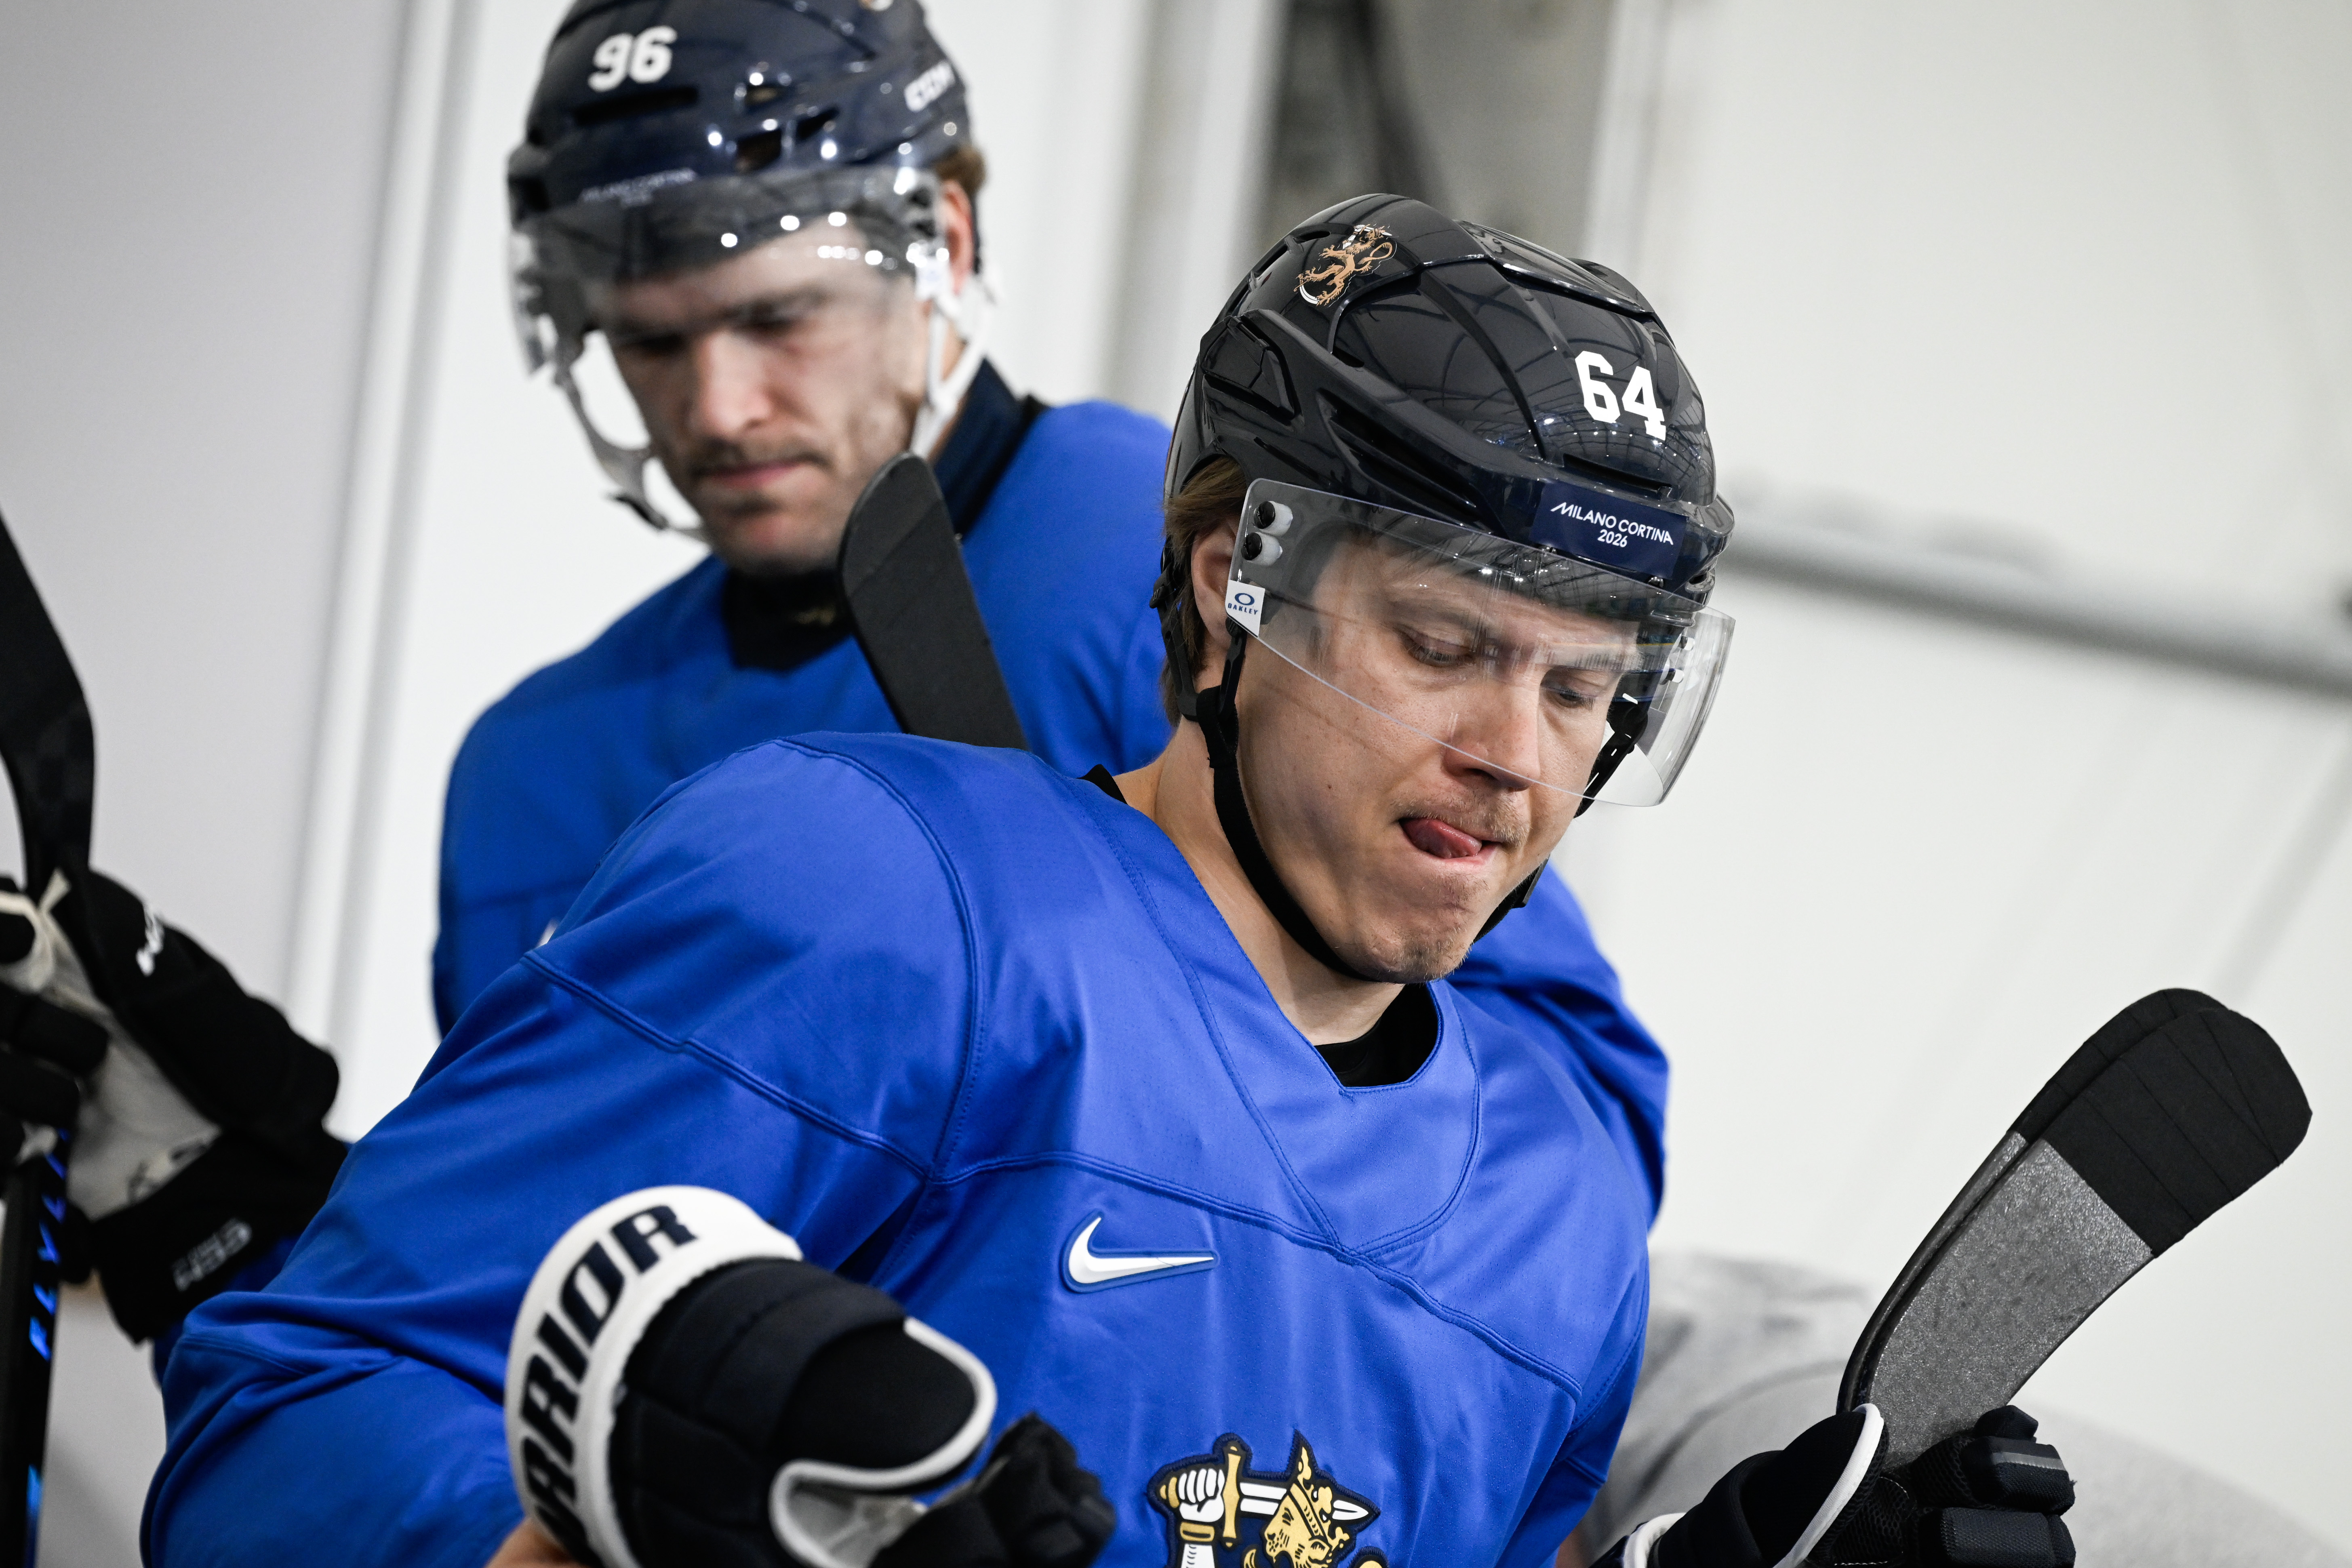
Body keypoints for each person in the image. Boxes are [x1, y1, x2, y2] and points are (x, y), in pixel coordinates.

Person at [143, 197, 2077, 1568]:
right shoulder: (867, 894)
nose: (1518, 750)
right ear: (1237, 575)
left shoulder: (1556, 1204)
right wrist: (627, 1532)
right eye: (1442, 643)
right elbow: (277, 1434)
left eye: (1582, 686)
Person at [0, 0, 1668, 1361]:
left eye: (776, 316)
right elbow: (547, 1281)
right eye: (653, 340)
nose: (717, 403)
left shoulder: (1172, 582)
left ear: (938, 236)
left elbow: (1513, 1106)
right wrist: (264, 1213)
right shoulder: (531, 767)